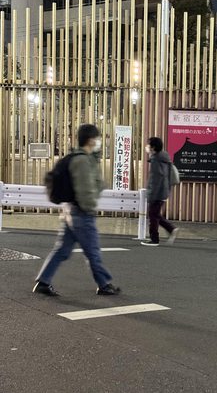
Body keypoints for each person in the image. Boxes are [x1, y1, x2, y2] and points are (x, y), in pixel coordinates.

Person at [33, 124, 120, 296]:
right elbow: (85, 190)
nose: (99, 141)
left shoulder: (83, 158)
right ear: (90, 140)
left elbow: (95, 184)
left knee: (62, 250)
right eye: (97, 138)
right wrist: (90, 209)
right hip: (81, 213)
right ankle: (104, 284)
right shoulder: (82, 161)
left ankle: (43, 281)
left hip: (71, 211)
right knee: (93, 252)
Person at [141, 136, 178, 247]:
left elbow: (156, 179)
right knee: (155, 214)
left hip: (157, 193)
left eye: (148, 145)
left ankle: (155, 239)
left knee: (153, 215)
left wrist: (152, 195)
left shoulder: (157, 160)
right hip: (163, 191)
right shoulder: (163, 158)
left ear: (153, 147)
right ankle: (171, 229)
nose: (147, 147)